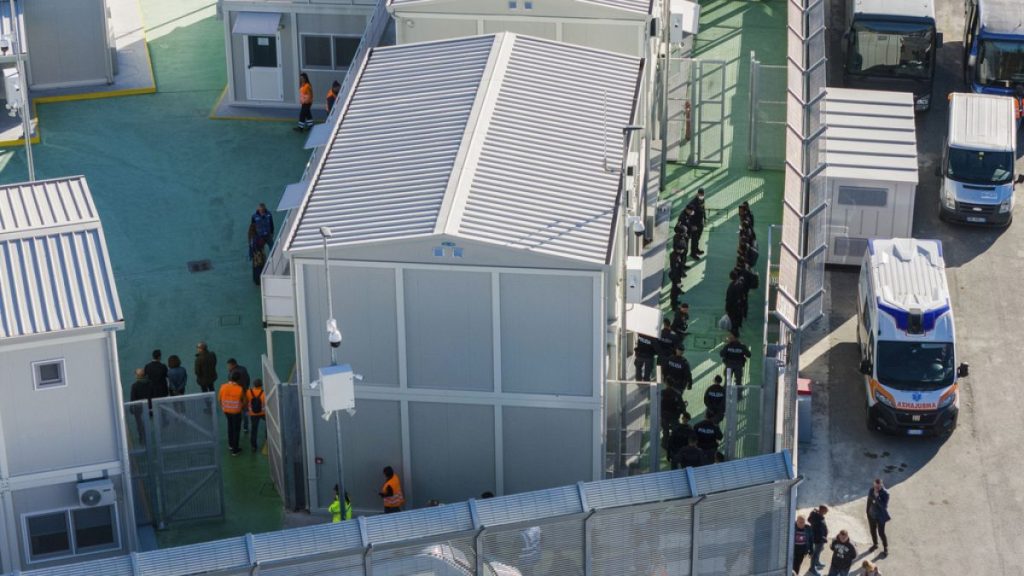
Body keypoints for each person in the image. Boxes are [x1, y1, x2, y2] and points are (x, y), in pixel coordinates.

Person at [218, 372, 245, 456]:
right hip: (236, 412)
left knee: (230, 427)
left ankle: (230, 445)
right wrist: (241, 408)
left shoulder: (223, 387)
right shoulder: (240, 389)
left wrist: (223, 407)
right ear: (238, 379)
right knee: (236, 430)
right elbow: (244, 401)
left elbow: (219, 399)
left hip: (226, 410)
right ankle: (235, 449)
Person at [866, 478, 891, 556]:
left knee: (881, 533)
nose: (875, 488)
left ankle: (885, 547)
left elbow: (884, 506)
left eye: (878, 487)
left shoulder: (885, 493)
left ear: (881, 485)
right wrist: (867, 512)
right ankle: (875, 544)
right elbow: (869, 500)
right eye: (875, 486)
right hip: (872, 514)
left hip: (880, 516)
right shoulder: (871, 490)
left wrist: (877, 497)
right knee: (872, 531)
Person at [227, 359, 251, 433]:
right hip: (245, 392)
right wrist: (246, 388)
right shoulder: (243, 368)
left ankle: (236, 426)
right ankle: (245, 427)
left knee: (236, 411)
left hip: (236, 395)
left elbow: (231, 385)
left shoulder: (232, 374)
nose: (228, 367)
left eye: (229, 366)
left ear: (232, 365)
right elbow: (248, 379)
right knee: (245, 411)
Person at [129, 368, 153, 443]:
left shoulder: (135, 386)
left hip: (138, 409)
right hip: (149, 406)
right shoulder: (150, 383)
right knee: (148, 421)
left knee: (139, 423)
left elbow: (133, 398)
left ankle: (142, 438)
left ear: (137, 376)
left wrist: (131, 408)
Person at [808, 505, 829, 575]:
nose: (827, 512)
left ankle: (817, 562)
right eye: (826, 510)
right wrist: (824, 538)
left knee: (818, 552)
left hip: (820, 539)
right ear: (822, 510)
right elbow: (817, 532)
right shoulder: (818, 519)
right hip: (818, 540)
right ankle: (812, 568)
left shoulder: (816, 515)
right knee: (815, 554)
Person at [247, 379, 266, 453]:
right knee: (269, 425)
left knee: (254, 430)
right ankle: (267, 438)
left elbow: (246, 401)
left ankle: (253, 446)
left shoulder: (249, 392)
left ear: (253, 385)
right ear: (261, 385)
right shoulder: (264, 393)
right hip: (263, 413)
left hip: (253, 414)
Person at [686, 189, 706, 258]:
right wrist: (692, 225)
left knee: (698, 238)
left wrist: (705, 218)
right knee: (694, 239)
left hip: (700, 222)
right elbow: (689, 215)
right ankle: (693, 253)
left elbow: (703, 209)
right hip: (695, 224)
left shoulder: (702, 200)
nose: (702, 196)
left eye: (703, 194)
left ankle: (696, 249)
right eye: (701, 194)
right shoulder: (693, 203)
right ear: (698, 194)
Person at [725, 271, 746, 336]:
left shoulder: (731, 287)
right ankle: (736, 330)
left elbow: (729, 299)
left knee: (733, 320)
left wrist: (727, 308)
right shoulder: (741, 283)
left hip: (733, 307)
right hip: (739, 306)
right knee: (738, 319)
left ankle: (734, 333)